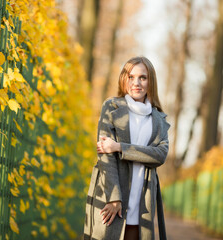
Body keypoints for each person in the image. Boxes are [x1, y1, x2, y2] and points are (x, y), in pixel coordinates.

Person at [83, 56, 170, 240]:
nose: (136, 83)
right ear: (124, 79)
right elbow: (105, 156)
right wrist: (114, 198)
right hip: (110, 196)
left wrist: (120, 147)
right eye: (131, 77)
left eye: (142, 77)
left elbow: (160, 155)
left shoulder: (159, 119)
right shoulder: (111, 107)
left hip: (142, 200)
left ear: (150, 81)